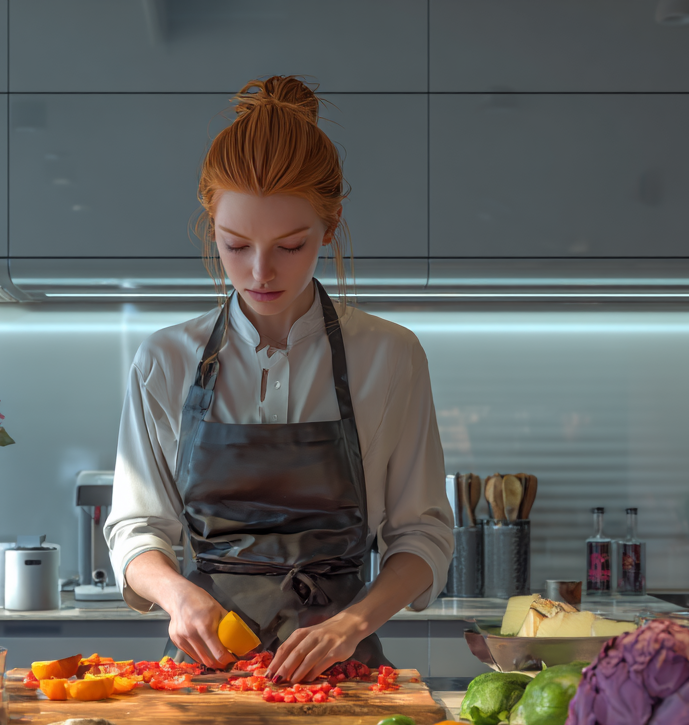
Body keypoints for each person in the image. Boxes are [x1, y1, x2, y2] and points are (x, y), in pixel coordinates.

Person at [106, 76, 453, 683]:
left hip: (343, 671)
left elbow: (422, 534)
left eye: (290, 246)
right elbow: (137, 527)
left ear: (331, 225)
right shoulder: (164, 360)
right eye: (236, 245)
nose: (260, 272)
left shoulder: (392, 356)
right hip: (204, 674)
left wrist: (354, 623)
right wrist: (177, 594)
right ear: (211, 225)